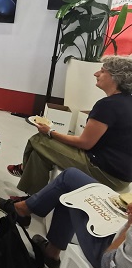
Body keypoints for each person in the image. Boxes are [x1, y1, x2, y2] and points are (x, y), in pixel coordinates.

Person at [7, 55, 132, 194]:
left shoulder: (108, 105)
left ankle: (25, 171)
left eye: (102, 71)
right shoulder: (126, 102)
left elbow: (84, 143)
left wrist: (50, 132)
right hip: (120, 174)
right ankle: (31, 198)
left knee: (40, 140)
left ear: (115, 77)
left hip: (105, 172)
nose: (96, 74)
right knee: (40, 152)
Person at [0, 167, 132, 268]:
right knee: (72, 182)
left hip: (112, 259)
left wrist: (128, 225)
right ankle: (51, 251)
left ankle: (23, 209)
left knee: (68, 178)